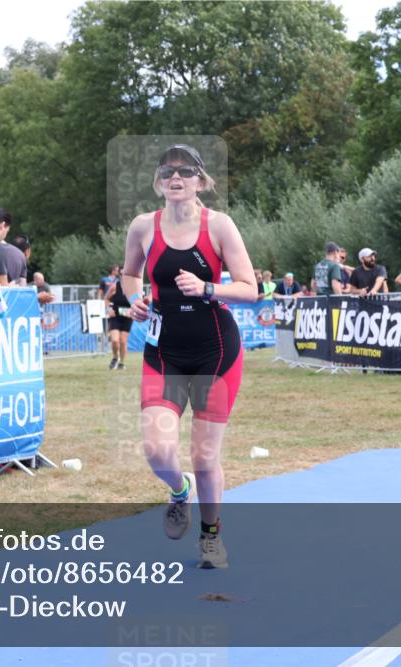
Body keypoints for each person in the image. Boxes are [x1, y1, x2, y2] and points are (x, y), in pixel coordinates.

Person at [122, 144, 257, 570]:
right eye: (167, 172)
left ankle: (211, 537)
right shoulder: (143, 226)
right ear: (158, 182)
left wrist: (207, 288)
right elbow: (129, 274)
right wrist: (135, 299)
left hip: (215, 352)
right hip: (164, 352)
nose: (175, 178)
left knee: (203, 456)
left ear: (201, 180)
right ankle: (180, 491)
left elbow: (250, 288)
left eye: (185, 171)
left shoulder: (219, 225)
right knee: (157, 450)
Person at [104, 279, 132, 370]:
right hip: (115, 316)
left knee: (123, 341)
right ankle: (115, 357)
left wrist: (133, 311)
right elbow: (106, 299)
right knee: (115, 340)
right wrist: (109, 310)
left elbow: (139, 301)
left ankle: (122, 363)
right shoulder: (115, 287)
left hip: (127, 317)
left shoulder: (133, 287)